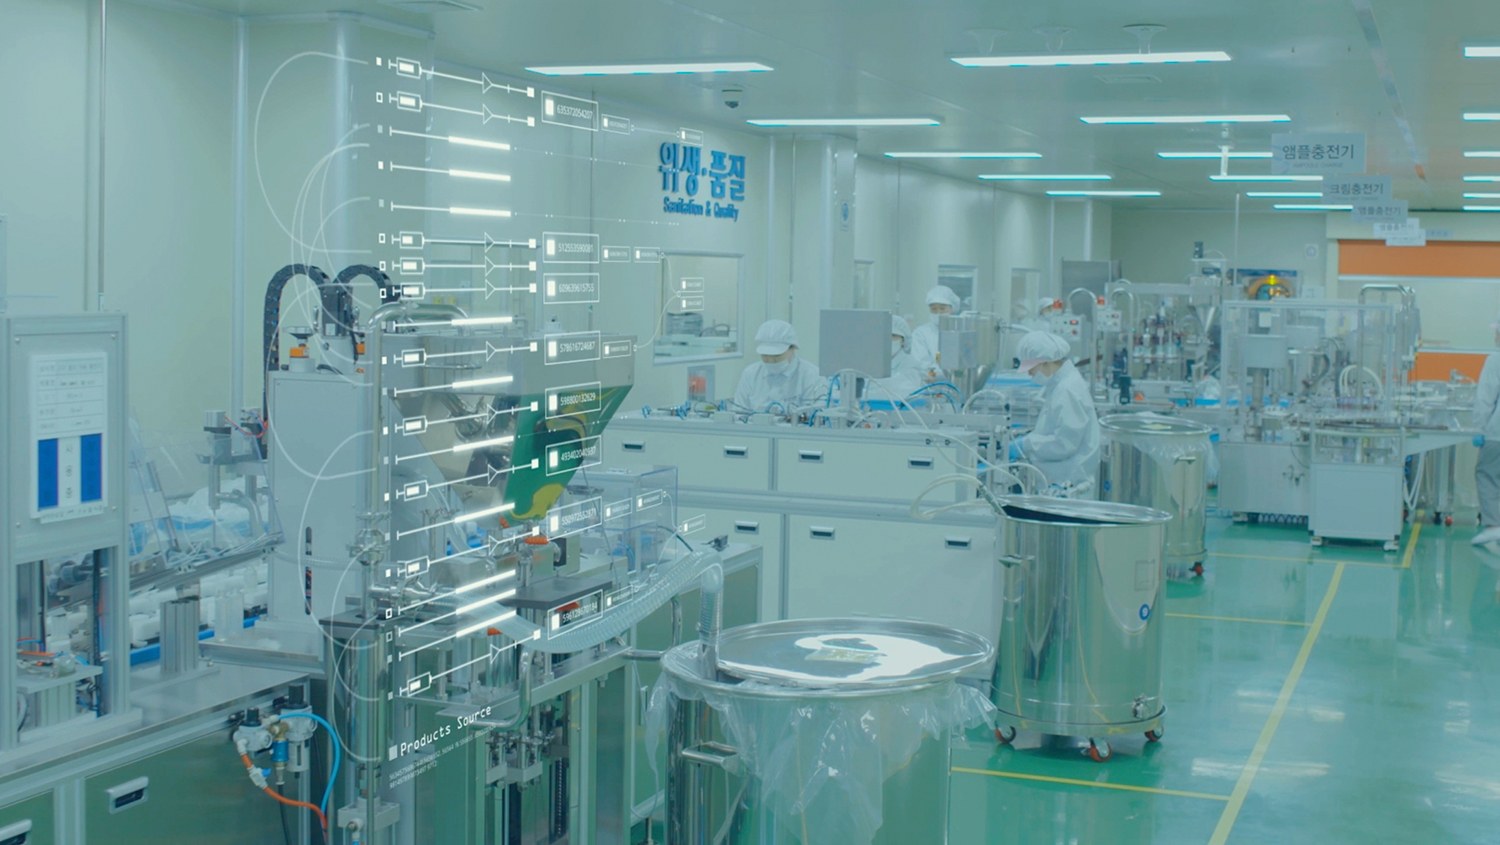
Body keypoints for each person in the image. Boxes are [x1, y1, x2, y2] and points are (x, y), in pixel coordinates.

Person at [1008, 330, 1100, 491]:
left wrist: (1026, 444)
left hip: (1067, 483)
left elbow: (1064, 444)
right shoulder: (1061, 384)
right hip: (1061, 480)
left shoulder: (1066, 390)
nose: (1029, 373)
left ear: (1046, 362)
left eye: (1031, 367)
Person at [733, 319, 826, 413]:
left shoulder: (812, 376)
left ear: (793, 348)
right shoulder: (750, 374)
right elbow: (739, 412)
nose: (770, 360)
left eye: (776, 355)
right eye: (765, 355)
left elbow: (818, 414)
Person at [1473, 317, 1500, 544]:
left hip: (1496, 435)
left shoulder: (1495, 361)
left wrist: (1478, 428)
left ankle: (1493, 526)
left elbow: (1485, 398)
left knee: (1487, 474)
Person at [866, 315, 925, 403]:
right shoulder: (871, 361)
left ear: (903, 340)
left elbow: (904, 392)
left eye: (893, 336)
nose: (888, 340)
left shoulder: (911, 365)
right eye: (884, 335)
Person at [910, 284, 960, 378]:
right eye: (934, 309)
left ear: (952, 308)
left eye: (942, 308)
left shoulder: (961, 331)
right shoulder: (921, 333)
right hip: (929, 383)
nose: (938, 313)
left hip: (958, 382)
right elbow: (920, 363)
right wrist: (936, 374)